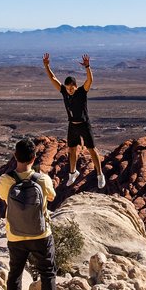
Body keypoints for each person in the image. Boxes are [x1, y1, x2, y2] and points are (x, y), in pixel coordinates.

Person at [0, 139, 70, 290]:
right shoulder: (42, 179)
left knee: (15, 273)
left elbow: (3, 197)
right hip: (41, 234)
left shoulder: (5, 180)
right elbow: (52, 196)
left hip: (15, 234)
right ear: (34, 157)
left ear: (15, 156)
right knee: (47, 272)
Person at [43, 52, 106, 189]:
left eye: (71, 88)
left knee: (91, 149)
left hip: (84, 124)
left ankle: (100, 174)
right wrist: (47, 66)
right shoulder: (64, 92)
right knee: (71, 149)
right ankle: (73, 173)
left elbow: (90, 80)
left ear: (75, 86)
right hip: (72, 125)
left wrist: (87, 67)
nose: (70, 91)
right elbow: (53, 78)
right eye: (68, 88)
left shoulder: (82, 92)